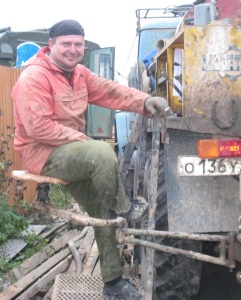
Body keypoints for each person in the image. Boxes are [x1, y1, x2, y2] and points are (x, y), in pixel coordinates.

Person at [11, 19, 168, 299]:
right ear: (51, 46)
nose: (73, 50)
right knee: (101, 153)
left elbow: (111, 91)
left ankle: (113, 282)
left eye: (78, 44)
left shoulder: (80, 73)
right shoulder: (33, 78)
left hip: (72, 152)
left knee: (100, 208)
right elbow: (39, 128)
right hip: (43, 152)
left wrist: (144, 101)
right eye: (66, 44)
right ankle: (125, 208)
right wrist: (86, 143)